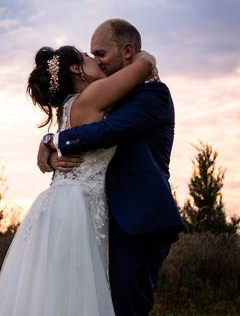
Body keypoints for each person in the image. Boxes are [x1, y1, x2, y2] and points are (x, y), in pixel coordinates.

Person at [0, 43, 157, 315]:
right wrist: (139, 54)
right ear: (76, 68)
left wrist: (48, 144)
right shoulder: (94, 95)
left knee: (54, 292)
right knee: (72, 293)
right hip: (76, 206)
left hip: (65, 203)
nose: (94, 59)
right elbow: (144, 65)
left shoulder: (68, 107)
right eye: (87, 56)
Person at [39, 19, 183, 315]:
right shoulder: (103, 97)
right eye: (91, 56)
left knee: (126, 307)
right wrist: (47, 148)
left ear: (128, 51)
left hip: (137, 220)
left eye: (100, 54)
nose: (97, 62)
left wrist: (55, 140)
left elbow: (108, 132)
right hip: (97, 220)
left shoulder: (152, 95)